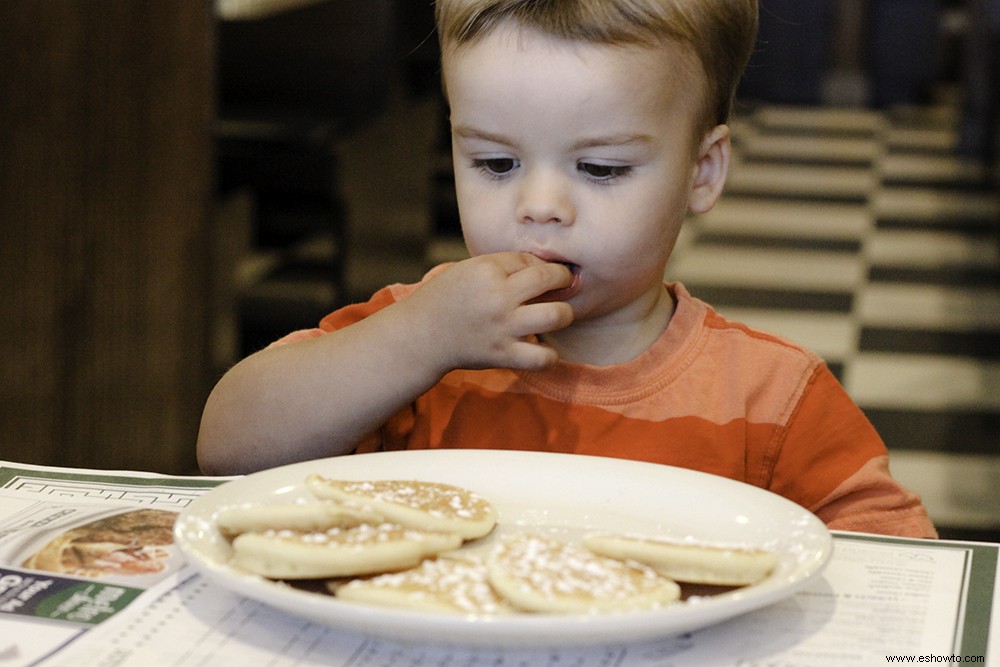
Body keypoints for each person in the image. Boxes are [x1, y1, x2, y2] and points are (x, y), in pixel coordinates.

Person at [198, 0, 937, 538]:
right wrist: (414, 343)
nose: (540, 205)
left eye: (600, 167)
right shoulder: (413, 343)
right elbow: (227, 447)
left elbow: (901, 566)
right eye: (495, 161)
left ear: (701, 172)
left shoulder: (770, 399)